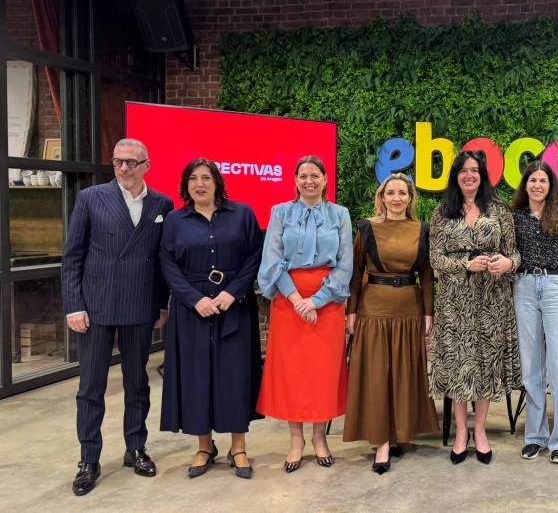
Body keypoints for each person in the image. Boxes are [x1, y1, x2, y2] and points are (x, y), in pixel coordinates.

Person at [62, 138, 173, 496]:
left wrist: (161, 304)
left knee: (137, 383)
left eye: (131, 162)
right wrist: (74, 306)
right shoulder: (91, 198)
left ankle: (135, 449)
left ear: (146, 165)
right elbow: (73, 257)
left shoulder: (162, 204)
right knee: (91, 387)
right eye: (118, 162)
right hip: (96, 307)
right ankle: (88, 460)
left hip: (139, 306)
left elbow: (161, 262)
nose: (124, 168)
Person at [159, 158, 264, 480]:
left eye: (206, 177)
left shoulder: (242, 214)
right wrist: (194, 299)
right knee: (196, 375)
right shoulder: (175, 219)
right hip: (193, 309)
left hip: (234, 305)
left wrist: (233, 292)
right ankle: (205, 446)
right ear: (185, 185)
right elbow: (167, 263)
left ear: (218, 182)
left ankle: (238, 447)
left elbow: (255, 255)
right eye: (193, 179)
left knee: (235, 375)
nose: (199, 184)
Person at [257, 155, 352, 473]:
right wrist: (298, 299)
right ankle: (295, 441)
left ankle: (319, 438)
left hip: (328, 303)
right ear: (295, 181)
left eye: (315, 175)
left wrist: (317, 301)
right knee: (292, 374)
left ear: (325, 179)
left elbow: (345, 264)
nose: (309, 181)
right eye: (303, 176)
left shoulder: (340, 214)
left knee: (322, 373)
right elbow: (271, 260)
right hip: (289, 302)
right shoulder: (280, 212)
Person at [429, 150, 521, 466]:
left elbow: (515, 254)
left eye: (475, 170)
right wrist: (465, 265)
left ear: (482, 175)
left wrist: (507, 263)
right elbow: (435, 258)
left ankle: (480, 431)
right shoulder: (442, 212)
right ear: (455, 176)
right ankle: (461, 434)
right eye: (463, 171)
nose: (469, 175)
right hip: (454, 302)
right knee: (458, 365)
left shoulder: (500, 209)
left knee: (485, 365)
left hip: (492, 300)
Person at [343, 173, 439, 475]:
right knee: (376, 375)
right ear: (382, 198)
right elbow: (356, 273)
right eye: (391, 193)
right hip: (373, 308)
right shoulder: (366, 229)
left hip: (410, 309)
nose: (396, 198)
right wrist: (351, 311)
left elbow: (427, 275)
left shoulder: (423, 230)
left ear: (410, 198)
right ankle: (382, 441)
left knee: (403, 373)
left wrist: (428, 313)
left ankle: (398, 432)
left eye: (402, 193)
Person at [510, 161, 558, 464]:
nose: (537, 185)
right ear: (525, 185)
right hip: (524, 288)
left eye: (543, 180)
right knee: (532, 367)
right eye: (532, 180)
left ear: (551, 185)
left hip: (556, 288)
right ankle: (535, 437)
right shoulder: (515, 217)